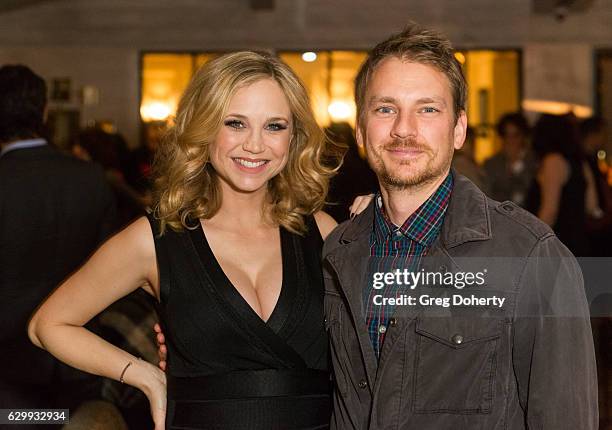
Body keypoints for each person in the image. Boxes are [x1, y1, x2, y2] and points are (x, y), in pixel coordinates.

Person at [28, 51, 371, 430]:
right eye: (235, 123)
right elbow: (50, 324)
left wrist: (389, 225)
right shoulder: (156, 239)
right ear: (204, 128)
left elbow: (384, 337)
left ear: (294, 138)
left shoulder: (321, 231)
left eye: (274, 126)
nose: (255, 145)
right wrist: (145, 376)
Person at [322, 24, 598, 429]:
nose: (404, 128)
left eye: (427, 109)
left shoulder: (530, 256)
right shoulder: (338, 251)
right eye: (385, 108)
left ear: (459, 129)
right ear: (362, 130)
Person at [0, 65, 116, 417]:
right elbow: (111, 268)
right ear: (45, 112)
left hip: (7, 362)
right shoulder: (90, 177)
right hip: (77, 356)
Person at [525, 113, 600, 256]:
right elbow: (592, 205)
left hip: (557, 246)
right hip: (579, 243)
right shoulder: (579, 161)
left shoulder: (553, 161)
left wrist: (531, 243)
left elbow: (549, 212)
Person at [483, 112, 536, 206]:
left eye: (515, 135)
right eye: (506, 136)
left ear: (523, 136)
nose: (511, 140)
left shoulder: (535, 162)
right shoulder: (492, 164)